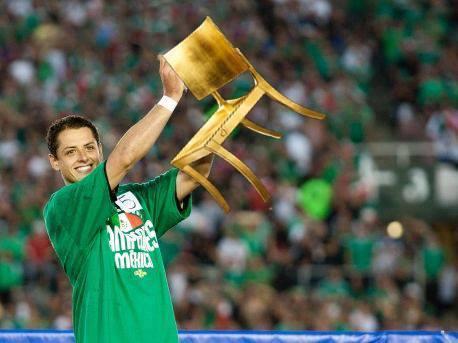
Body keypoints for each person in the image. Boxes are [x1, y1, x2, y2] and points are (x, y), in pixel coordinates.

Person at [43, 56, 212, 343]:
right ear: (54, 162)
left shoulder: (137, 197)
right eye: (70, 152)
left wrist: (220, 114)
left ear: (99, 148)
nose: (83, 157)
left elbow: (194, 175)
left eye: (88, 147)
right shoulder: (63, 206)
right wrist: (170, 98)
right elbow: (124, 159)